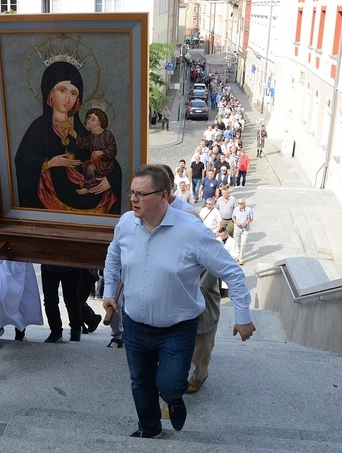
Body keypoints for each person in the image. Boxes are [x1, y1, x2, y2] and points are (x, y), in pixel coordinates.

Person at [103, 165, 255, 438]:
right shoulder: (126, 223)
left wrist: (242, 316)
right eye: (132, 193)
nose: (133, 199)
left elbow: (232, 271)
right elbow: (113, 257)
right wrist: (109, 293)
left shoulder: (192, 231)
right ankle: (149, 428)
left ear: (163, 195)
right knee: (140, 381)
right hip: (135, 325)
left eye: (141, 194)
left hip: (177, 328)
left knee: (172, 385)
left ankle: (173, 398)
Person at [14, 61, 121, 214]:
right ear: (50, 93)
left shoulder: (83, 132)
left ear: (78, 99)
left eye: (73, 93)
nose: (67, 99)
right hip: (51, 197)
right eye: (62, 90)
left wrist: (111, 180)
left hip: (88, 196)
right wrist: (49, 163)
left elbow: (108, 158)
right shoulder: (38, 128)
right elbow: (22, 161)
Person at [0, 191, 44, 345]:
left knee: (22, 294)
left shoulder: (22, 196)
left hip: (20, 252)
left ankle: (20, 329)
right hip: (1, 254)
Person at [75, 107, 117, 194]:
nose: (89, 120)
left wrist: (102, 152)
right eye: (88, 117)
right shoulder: (90, 135)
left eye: (93, 119)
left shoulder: (107, 134)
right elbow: (84, 144)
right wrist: (75, 136)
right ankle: (87, 182)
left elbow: (113, 150)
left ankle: (88, 187)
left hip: (105, 164)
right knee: (83, 165)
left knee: (90, 168)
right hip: (94, 161)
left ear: (100, 122)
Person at [41, 264, 83, 343]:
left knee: (71, 300)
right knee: (49, 301)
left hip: (72, 265)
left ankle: (76, 329)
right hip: (48, 264)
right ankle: (56, 331)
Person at [232, 198, 254, 265]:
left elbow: (251, 219)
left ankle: (241, 258)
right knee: (236, 243)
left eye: (241, 203)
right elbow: (233, 217)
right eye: (238, 203)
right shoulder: (236, 209)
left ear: (244, 204)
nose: (240, 205)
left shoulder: (248, 210)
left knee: (243, 244)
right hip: (237, 228)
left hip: (245, 229)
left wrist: (247, 222)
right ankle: (237, 256)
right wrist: (236, 222)